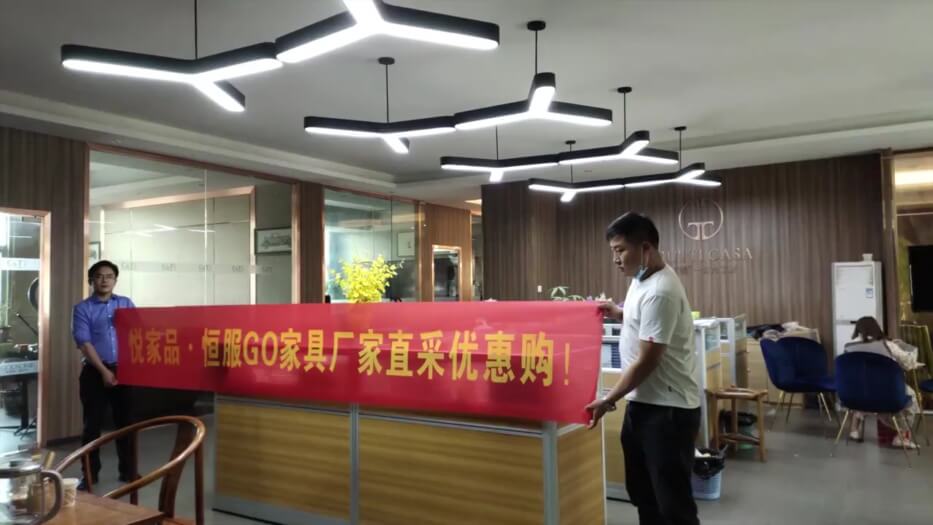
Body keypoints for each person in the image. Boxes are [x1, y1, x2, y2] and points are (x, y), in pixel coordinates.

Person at [585, 212, 701, 525]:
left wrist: (608, 398)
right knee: (643, 493)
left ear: (646, 248)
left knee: (673, 505)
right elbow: (642, 322)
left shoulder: (660, 291)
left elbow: (649, 359)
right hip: (644, 404)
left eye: (620, 250)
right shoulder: (641, 279)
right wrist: (617, 312)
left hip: (668, 411)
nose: (615, 259)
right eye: (613, 251)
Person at [72, 260, 136, 489]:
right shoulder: (82, 309)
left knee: (126, 424)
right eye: (99, 276)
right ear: (91, 280)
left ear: (115, 280)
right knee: (92, 426)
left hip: (124, 371)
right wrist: (104, 371)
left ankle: (128, 472)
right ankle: (89, 475)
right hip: (94, 372)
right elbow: (84, 343)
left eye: (109, 276)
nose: (105, 280)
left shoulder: (126, 304)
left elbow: (138, 333)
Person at [845, 316, 920, 448]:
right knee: (911, 396)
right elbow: (908, 363)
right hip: (886, 393)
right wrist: (905, 347)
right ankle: (902, 436)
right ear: (877, 329)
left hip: (860, 395)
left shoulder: (851, 347)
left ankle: (854, 430)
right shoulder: (888, 345)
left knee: (864, 390)